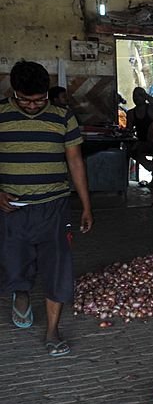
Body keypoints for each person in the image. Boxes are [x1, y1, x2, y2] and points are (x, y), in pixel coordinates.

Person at [0, 61, 93, 356]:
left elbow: (75, 162)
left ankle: (53, 332)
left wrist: (86, 206)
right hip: (12, 209)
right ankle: (21, 292)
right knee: (16, 265)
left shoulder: (62, 116)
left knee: (58, 270)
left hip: (54, 207)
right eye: (25, 99)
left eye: (39, 99)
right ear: (12, 91)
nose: (32, 106)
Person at [125, 87, 153, 186]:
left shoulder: (151, 109)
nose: (136, 98)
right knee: (131, 150)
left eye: (139, 96)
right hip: (142, 141)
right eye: (134, 96)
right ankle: (150, 167)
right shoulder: (131, 113)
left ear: (144, 97)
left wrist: (145, 95)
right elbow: (129, 131)